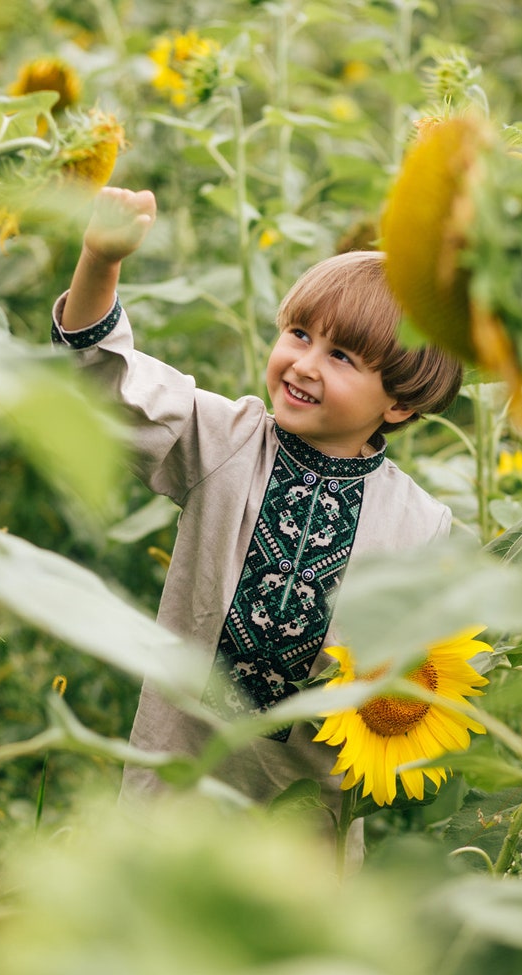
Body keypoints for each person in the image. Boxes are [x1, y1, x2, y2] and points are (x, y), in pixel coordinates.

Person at [51, 186, 463, 821]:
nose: (303, 363)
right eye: (298, 334)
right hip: (176, 789)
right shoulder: (226, 441)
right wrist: (101, 261)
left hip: (302, 820)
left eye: (342, 356)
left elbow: (427, 670)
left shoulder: (422, 527)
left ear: (401, 403)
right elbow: (106, 380)